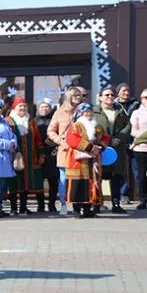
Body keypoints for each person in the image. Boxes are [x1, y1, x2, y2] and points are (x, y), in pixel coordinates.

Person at [48, 84, 87, 216]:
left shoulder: (84, 111)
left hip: (81, 150)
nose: (78, 98)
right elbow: (51, 131)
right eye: (75, 95)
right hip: (65, 151)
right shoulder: (59, 113)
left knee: (80, 178)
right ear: (69, 97)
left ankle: (80, 204)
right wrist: (61, 142)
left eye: (79, 96)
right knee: (64, 178)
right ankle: (64, 204)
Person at [92, 85, 131, 213]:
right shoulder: (94, 111)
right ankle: (97, 203)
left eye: (112, 95)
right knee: (98, 176)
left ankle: (116, 203)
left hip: (117, 148)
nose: (110, 97)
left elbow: (128, 125)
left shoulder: (119, 110)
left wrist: (119, 138)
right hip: (100, 149)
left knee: (117, 176)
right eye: (107, 95)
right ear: (100, 97)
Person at [6, 98, 45, 215]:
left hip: (29, 158)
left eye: (24, 106)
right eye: (20, 106)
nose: (22, 108)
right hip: (13, 157)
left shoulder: (31, 121)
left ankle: (23, 207)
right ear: (14, 108)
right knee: (13, 182)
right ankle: (13, 208)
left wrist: (41, 154)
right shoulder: (8, 121)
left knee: (26, 182)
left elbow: (38, 139)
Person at [65, 103, 104, 217]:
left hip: (92, 159)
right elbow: (72, 140)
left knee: (91, 182)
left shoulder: (97, 126)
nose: (89, 114)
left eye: (90, 111)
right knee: (78, 183)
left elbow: (105, 137)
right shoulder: (76, 126)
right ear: (81, 113)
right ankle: (76, 210)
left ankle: (87, 209)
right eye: (86, 112)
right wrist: (91, 147)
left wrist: (101, 146)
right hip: (77, 160)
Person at [34, 99, 58, 213]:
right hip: (38, 154)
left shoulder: (54, 120)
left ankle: (52, 204)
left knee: (53, 181)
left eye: (46, 107)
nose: (44, 109)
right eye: (42, 107)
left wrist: (54, 141)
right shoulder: (33, 121)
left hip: (53, 154)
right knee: (39, 181)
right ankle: (40, 204)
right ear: (38, 109)